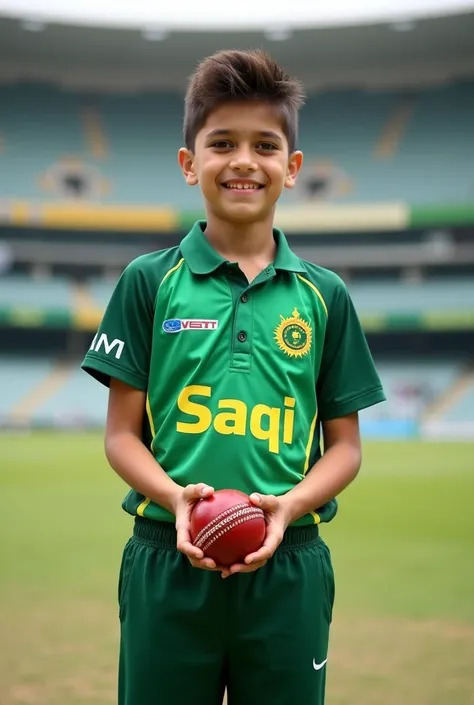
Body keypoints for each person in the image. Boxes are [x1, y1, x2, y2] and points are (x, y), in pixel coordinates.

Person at [81, 49, 386, 705]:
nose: (244, 160)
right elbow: (120, 437)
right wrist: (175, 499)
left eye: (265, 145)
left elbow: (346, 447)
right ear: (190, 164)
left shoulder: (324, 295)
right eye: (222, 143)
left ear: (292, 168)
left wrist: (291, 507)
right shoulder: (147, 282)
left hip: (290, 564)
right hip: (166, 556)